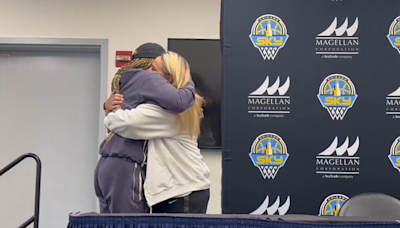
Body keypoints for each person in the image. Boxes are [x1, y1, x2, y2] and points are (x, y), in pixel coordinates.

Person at [104, 51, 211, 213]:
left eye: (154, 70)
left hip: (181, 191)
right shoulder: (180, 107)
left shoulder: (169, 112)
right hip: (180, 189)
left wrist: (110, 110)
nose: (147, 73)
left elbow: (123, 123)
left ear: (169, 79)